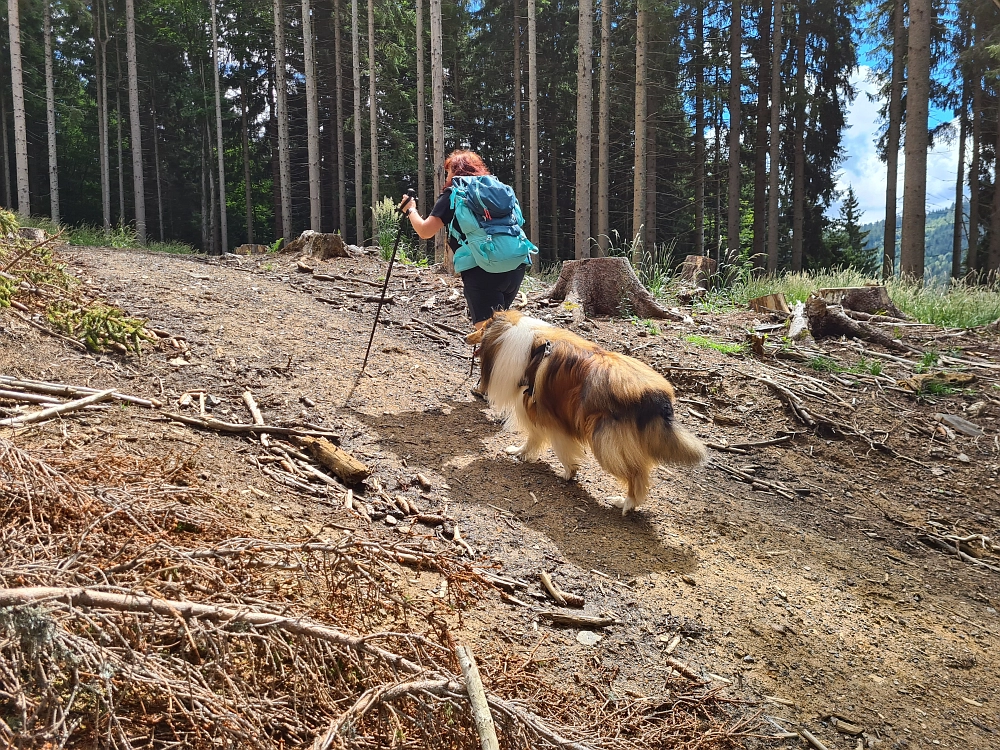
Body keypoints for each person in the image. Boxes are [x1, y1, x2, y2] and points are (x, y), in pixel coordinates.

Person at [399, 150, 532, 330]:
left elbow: (425, 231)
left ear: (455, 170)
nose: (447, 177)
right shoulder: (498, 189)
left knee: (490, 337)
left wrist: (411, 210)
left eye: (448, 172)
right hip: (515, 266)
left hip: (483, 269)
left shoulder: (455, 193)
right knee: (499, 332)